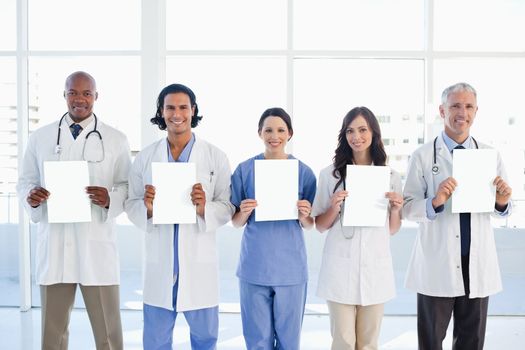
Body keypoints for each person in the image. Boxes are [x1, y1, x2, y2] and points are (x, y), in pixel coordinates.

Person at [17, 71, 131, 350]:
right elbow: (25, 181)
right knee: (52, 335)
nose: (79, 99)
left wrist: (109, 199)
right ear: (64, 95)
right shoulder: (40, 137)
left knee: (108, 334)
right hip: (55, 246)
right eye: (73, 92)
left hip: (95, 248)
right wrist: (31, 197)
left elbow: (127, 186)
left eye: (86, 93)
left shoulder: (116, 139)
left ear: (96, 96)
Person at [403, 82, 513, 350]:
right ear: (442, 110)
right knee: (430, 342)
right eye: (455, 106)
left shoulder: (490, 154)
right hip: (437, 264)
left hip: (476, 264)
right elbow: (407, 207)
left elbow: (502, 209)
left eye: (468, 106)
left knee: (471, 342)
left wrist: (501, 202)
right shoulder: (421, 156)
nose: (461, 112)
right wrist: (435, 201)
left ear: (476, 112)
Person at [125, 83, 234, 350]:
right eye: (170, 107)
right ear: (161, 112)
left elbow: (228, 205)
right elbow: (131, 202)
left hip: (199, 265)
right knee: (155, 341)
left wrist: (202, 208)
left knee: (205, 339)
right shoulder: (146, 157)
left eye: (183, 107)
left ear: (193, 110)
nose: (177, 113)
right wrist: (148, 208)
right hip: (160, 265)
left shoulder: (214, 156)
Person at [311, 106, 403, 350]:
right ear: (344, 135)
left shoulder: (390, 176)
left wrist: (395, 209)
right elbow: (319, 226)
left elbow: (392, 229)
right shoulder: (329, 175)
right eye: (350, 131)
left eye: (362, 130)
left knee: (368, 343)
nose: (356, 136)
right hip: (340, 271)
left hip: (375, 270)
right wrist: (334, 207)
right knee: (343, 341)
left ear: (373, 132)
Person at [230, 107, 317, 350]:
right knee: (257, 341)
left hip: (291, 270)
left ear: (290, 133)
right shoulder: (244, 170)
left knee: (289, 342)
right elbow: (235, 222)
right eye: (268, 130)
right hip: (254, 267)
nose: (274, 135)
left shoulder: (304, 173)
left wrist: (304, 215)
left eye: (280, 130)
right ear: (259, 133)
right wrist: (244, 212)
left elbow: (310, 225)